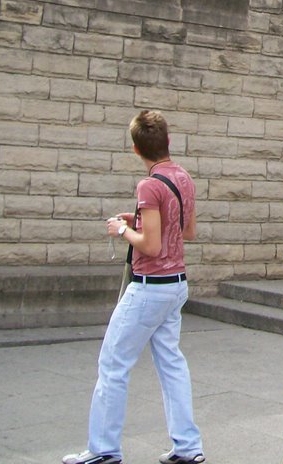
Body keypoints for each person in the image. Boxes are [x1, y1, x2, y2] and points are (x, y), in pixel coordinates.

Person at [63, 111, 203, 464]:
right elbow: (186, 232)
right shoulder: (183, 178)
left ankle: (103, 449)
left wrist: (122, 230)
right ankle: (188, 446)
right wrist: (138, 218)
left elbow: (151, 247)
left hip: (149, 287)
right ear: (167, 141)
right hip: (176, 284)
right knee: (172, 364)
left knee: (113, 364)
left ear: (135, 148)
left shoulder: (149, 185)